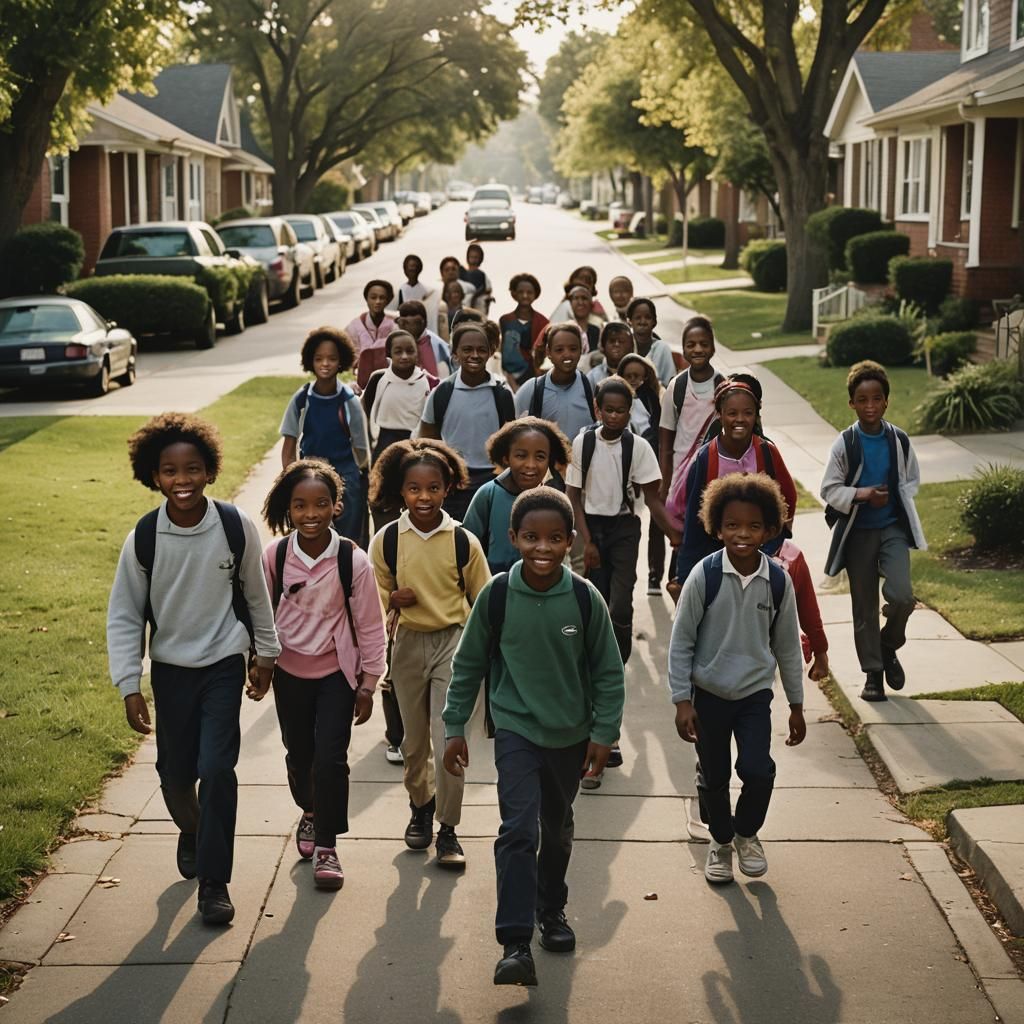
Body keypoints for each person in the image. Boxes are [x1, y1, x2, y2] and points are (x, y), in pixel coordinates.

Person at [442, 487, 625, 987]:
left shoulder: (584, 599)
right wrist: (455, 726)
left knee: (557, 829)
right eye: (531, 537)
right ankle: (515, 942)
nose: (542, 548)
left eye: (554, 538)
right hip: (516, 729)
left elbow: (608, 672)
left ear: (570, 540)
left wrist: (604, 733)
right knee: (518, 830)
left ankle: (552, 909)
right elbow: (468, 665)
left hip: (569, 733)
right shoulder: (497, 595)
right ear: (513, 537)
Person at [107, 413, 280, 925]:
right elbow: (125, 615)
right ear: (154, 476)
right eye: (170, 471)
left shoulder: (233, 526)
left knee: (217, 769)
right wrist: (129, 684)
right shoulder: (144, 538)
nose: (182, 480)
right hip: (171, 669)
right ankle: (194, 829)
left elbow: (257, 595)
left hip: (224, 662)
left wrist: (265, 656)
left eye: (192, 469)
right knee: (174, 775)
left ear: (209, 470)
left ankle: (214, 882)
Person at [668, 474, 805, 885]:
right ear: (717, 527)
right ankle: (721, 841)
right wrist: (682, 700)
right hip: (709, 694)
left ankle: (746, 833)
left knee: (757, 770)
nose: (742, 534)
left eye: (753, 526)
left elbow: (788, 647)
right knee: (714, 776)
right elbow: (681, 641)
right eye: (732, 525)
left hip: (753, 695)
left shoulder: (778, 581)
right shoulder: (704, 576)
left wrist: (796, 705)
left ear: (770, 529)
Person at [260, 459, 387, 889]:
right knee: (299, 755)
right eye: (300, 505)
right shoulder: (275, 557)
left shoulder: (353, 560)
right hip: (290, 672)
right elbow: (259, 615)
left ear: (336, 506)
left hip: (337, 674)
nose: (310, 514)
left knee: (331, 759)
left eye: (320, 504)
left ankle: (328, 846)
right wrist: (260, 663)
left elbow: (370, 625)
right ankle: (310, 811)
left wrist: (368, 682)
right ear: (288, 508)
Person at [367, 439, 491, 868]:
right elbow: (372, 598)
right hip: (406, 645)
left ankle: (448, 829)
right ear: (401, 491)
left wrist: (483, 657)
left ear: (447, 488)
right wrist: (392, 599)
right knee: (414, 743)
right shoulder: (386, 541)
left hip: (452, 645)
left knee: (448, 739)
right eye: (414, 488)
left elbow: (484, 601)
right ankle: (420, 806)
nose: (424, 497)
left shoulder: (463, 542)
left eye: (433, 488)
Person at [567, 378, 681, 782]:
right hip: (591, 527)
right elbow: (573, 497)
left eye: (622, 410)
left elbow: (652, 498)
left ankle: (613, 662)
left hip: (624, 527)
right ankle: (597, 656)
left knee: (619, 603)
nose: (614, 416)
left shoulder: (639, 447)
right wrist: (585, 540)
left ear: (629, 412)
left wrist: (674, 533)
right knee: (593, 602)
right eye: (608, 409)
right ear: (597, 409)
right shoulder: (584, 443)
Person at [821, 360, 925, 703]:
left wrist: (896, 498)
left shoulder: (899, 440)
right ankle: (873, 673)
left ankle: (888, 643)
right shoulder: (846, 443)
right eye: (862, 400)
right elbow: (829, 489)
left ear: (886, 401)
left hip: (892, 528)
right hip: (858, 533)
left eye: (876, 399)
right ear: (851, 403)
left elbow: (911, 480)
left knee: (903, 596)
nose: (870, 406)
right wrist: (863, 494)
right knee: (864, 607)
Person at [675, 378, 797, 585]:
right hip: (717, 558)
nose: (740, 419)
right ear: (719, 415)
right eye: (732, 413)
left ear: (756, 415)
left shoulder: (767, 452)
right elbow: (694, 522)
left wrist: (769, 545)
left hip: (761, 554)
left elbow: (787, 500)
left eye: (747, 413)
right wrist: (687, 575)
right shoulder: (705, 458)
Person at [280, 327, 369, 544]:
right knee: (312, 536)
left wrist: (360, 481)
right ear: (310, 361)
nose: (325, 364)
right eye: (319, 358)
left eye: (332, 358)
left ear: (341, 361)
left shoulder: (349, 401)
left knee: (348, 541)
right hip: (310, 477)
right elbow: (289, 445)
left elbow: (362, 449)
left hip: (346, 480)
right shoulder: (302, 399)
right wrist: (292, 480)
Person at [419, 321, 516, 521]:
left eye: (481, 350)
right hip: (454, 482)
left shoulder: (502, 394)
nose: (475, 355)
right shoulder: (442, 393)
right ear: (455, 354)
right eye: (467, 349)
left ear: (490, 353)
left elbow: (512, 440)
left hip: (493, 480)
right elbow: (428, 439)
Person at [463, 417, 573, 573]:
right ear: (506, 458)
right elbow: (468, 547)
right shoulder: (488, 495)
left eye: (540, 457)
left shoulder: (556, 498)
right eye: (521, 456)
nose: (530, 465)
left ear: (550, 461)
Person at [661, 317, 725, 543]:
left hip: (715, 475)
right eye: (691, 344)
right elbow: (665, 442)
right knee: (683, 540)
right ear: (684, 348)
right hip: (682, 479)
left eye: (704, 344)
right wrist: (665, 484)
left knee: (714, 536)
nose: (697, 349)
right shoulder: (676, 387)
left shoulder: (723, 386)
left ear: (713, 348)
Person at [617, 354, 667, 594]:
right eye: (628, 376)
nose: (633, 381)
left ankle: (655, 575)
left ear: (646, 377)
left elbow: (659, 432)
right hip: (622, 469)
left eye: (638, 376)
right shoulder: (615, 398)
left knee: (657, 519)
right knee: (627, 521)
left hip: (650, 464)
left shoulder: (653, 399)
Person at [361, 329, 438, 471]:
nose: (404, 356)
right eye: (398, 352)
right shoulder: (379, 379)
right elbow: (364, 411)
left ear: (417, 353)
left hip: (415, 443)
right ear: (389, 354)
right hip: (384, 442)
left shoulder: (427, 382)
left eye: (410, 351)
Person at [514, 323, 596, 447]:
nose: (567, 354)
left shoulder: (591, 386)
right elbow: (515, 433)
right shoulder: (531, 390)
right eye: (559, 350)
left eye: (573, 349)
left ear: (581, 349)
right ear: (549, 352)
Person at [498, 273, 548, 388]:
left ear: (535, 294)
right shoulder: (505, 320)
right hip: (508, 375)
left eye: (529, 292)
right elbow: (505, 350)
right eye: (521, 292)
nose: (525, 295)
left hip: (535, 376)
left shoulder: (543, 322)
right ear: (514, 294)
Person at [347, 280, 397, 390]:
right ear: (366, 299)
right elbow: (350, 358)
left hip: (391, 381)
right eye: (373, 297)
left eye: (382, 298)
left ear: (388, 300)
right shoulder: (354, 326)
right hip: (361, 382)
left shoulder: (395, 324)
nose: (377, 301)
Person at [394, 300, 453, 379]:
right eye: (401, 323)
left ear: (422, 323)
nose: (404, 327)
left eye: (408, 323)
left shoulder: (436, 344)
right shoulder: (396, 340)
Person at [626, 298, 674, 386]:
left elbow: (670, 383)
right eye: (638, 317)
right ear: (630, 321)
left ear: (654, 322)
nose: (643, 321)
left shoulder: (662, 348)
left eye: (648, 317)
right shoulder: (624, 346)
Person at [586, 321, 635, 387]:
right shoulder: (592, 377)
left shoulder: (638, 374)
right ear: (603, 346)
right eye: (612, 341)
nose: (616, 344)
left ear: (631, 348)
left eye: (621, 341)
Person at [567, 284, 601, 355]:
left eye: (584, 298)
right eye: (576, 298)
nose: (580, 302)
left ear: (591, 304)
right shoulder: (563, 330)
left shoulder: (597, 331)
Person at [460, 242, 493, 314]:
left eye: (476, 257)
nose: (473, 259)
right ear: (468, 257)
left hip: (477, 309)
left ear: (480, 259)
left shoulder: (482, 275)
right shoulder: (461, 272)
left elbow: (488, 291)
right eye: (471, 257)